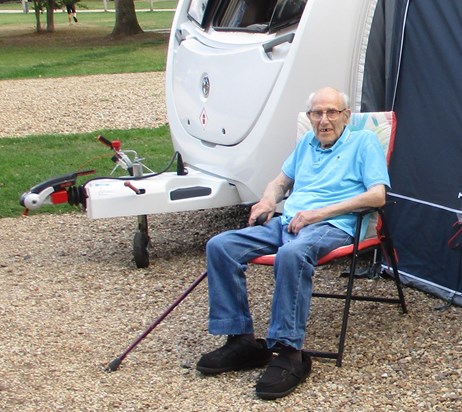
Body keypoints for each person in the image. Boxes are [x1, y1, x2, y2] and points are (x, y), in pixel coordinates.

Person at [196, 87, 390, 400]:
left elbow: (377, 196)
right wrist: (268, 200)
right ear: (310, 117)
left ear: (346, 116)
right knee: (221, 245)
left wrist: (319, 213)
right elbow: (281, 181)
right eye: (317, 113)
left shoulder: (364, 142)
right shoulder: (307, 143)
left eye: (332, 112)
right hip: (289, 222)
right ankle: (241, 340)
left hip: (331, 225)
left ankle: (289, 352)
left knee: (292, 253)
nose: (324, 120)